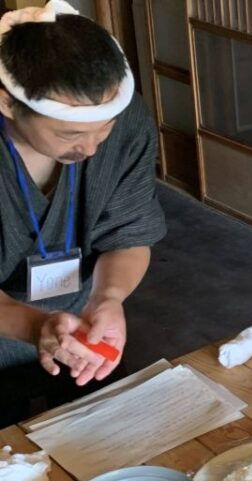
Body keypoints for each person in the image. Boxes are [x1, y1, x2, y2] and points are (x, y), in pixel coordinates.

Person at [0, 1, 166, 420]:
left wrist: (108, 298)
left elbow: (129, 236)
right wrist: (35, 327)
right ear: (7, 103)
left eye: (103, 129)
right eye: (69, 133)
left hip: (80, 327)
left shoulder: (126, 123)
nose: (90, 149)